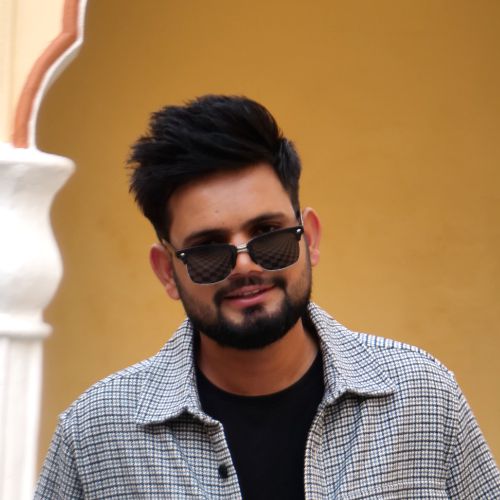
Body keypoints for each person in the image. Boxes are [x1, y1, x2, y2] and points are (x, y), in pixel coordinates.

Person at [35, 95, 499, 499]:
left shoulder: (421, 397)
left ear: (309, 239)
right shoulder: (95, 434)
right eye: (208, 249)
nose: (245, 266)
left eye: (268, 234)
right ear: (167, 271)